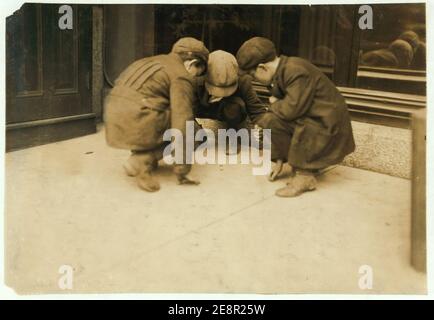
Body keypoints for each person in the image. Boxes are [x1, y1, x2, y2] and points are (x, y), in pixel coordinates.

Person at [236, 37, 355, 197]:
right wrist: (278, 158)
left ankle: (305, 176)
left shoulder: (295, 70)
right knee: (270, 120)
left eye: (252, 75)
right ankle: (303, 165)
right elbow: (282, 112)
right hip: (319, 121)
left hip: (329, 127)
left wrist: (274, 103)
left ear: (262, 68)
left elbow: (291, 110)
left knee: (275, 118)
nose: (253, 80)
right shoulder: (283, 72)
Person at [104, 37, 209, 192]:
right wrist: (183, 169)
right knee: (192, 128)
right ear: (191, 63)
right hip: (137, 118)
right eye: (197, 73)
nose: (194, 78)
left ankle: (142, 153)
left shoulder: (152, 61)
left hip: (112, 118)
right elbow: (183, 121)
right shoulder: (181, 74)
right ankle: (141, 160)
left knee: (158, 105)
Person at [195, 50, 267, 149]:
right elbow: (183, 110)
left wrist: (264, 127)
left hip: (225, 110)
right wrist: (195, 129)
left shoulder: (243, 80)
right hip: (199, 109)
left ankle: (232, 135)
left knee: (235, 107)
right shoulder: (194, 78)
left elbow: (256, 109)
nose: (221, 94)